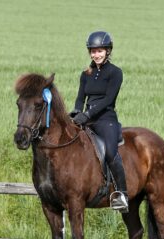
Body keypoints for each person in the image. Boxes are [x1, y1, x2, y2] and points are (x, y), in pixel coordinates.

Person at [70, 31, 129, 213]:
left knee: (110, 153)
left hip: (106, 119)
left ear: (108, 51)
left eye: (100, 51)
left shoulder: (115, 73)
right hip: (87, 119)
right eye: (93, 51)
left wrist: (87, 114)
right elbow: (81, 98)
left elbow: (108, 100)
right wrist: (77, 112)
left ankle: (121, 195)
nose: (96, 55)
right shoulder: (85, 74)